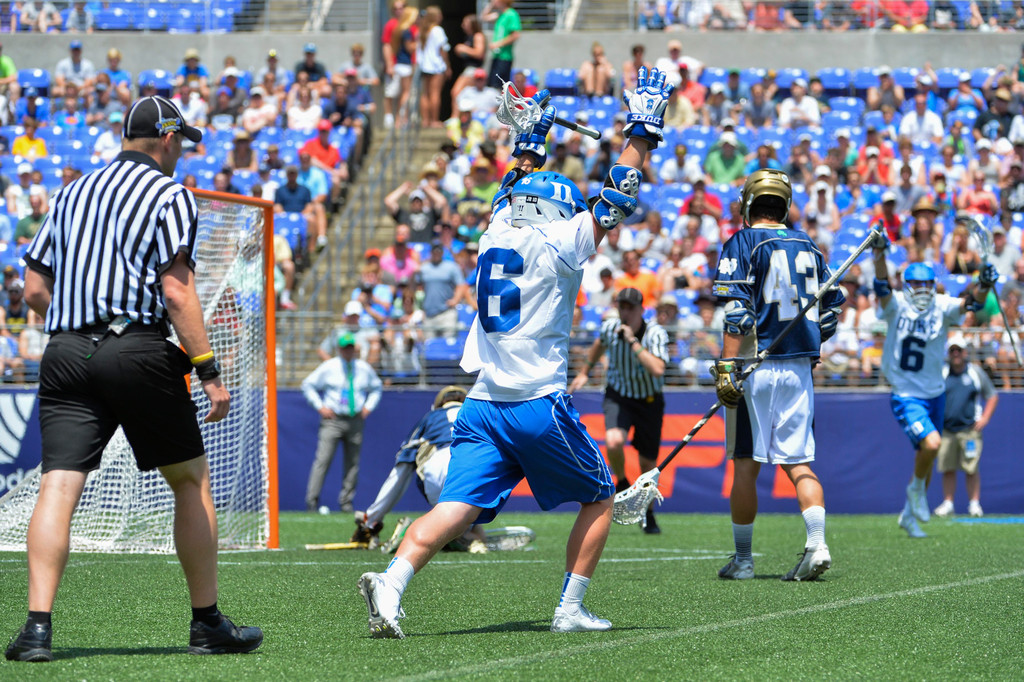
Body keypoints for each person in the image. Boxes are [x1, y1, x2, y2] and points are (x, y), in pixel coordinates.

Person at [357, 68, 671, 639]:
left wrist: (531, 140)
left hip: (481, 403)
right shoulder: (558, 239)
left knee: (458, 510)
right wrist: (642, 131)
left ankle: (392, 582)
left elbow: (511, 188)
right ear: (557, 210)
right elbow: (618, 191)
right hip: (535, 399)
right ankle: (569, 608)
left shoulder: (493, 231)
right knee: (600, 497)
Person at [5, 96, 262, 662]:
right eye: (182, 143)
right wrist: (210, 373)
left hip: (66, 350)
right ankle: (207, 623)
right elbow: (176, 291)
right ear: (168, 139)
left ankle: (37, 630)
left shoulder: (72, 190)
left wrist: (77, 328)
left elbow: (34, 289)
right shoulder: (170, 195)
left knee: (58, 484)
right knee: (190, 481)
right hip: (136, 348)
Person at [712, 168, 844, 582]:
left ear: (749, 203)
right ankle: (817, 544)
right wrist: (811, 346)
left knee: (747, 464)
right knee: (800, 463)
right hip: (799, 367)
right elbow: (832, 309)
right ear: (784, 204)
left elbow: (737, 312)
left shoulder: (743, 240)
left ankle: (744, 560)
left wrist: (728, 368)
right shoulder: (809, 244)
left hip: (756, 366)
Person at [871, 236, 997, 539]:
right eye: (917, 284)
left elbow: (973, 303)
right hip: (906, 391)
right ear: (907, 284)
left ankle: (910, 515)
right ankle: (915, 492)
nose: (923, 290)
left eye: (928, 284)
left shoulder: (941, 304)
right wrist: (879, 254)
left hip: (935, 391)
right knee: (932, 446)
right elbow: (881, 286)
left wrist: (984, 282)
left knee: (924, 458)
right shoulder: (897, 304)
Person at [568, 286, 668, 533]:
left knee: (647, 463)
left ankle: (649, 514)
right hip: (619, 394)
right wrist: (584, 371)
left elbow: (658, 369)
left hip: (649, 400)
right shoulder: (611, 328)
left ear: (640, 310)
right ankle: (622, 483)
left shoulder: (654, 333)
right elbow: (599, 344)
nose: (625, 313)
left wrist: (633, 342)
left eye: (630, 308)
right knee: (613, 441)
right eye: (621, 307)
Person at [351, 385, 468, 546]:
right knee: (469, 521)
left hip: (438, 465)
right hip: (469, 464)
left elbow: (404, 466)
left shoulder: (431, 417)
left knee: (450, 519)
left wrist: (372, 519)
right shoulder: (476, 415)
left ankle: (431, 531)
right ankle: (466, 533)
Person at [302, 332, 383, 514]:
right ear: (339, 349)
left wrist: (368, 407)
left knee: (353, 463)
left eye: (350, 348)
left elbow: (377, 387)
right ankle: (312, 502)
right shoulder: (329, 367)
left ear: (354, 349)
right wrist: (320, 406)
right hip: (333, 420)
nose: (348, 351)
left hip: (355, 420)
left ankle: (346, 502)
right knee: (322, 460)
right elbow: (308, 384)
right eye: (345, 348)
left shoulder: (363, 368)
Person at [934, 333, 998, 519]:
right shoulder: (942, 372)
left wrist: (985, 418)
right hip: (946, 430)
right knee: (947, 467)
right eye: (952, 350)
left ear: (965, 352)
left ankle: (974, 503)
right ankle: (948, 503)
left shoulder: (975, 372)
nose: (955, 353)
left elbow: (992, 396)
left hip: (970, 430)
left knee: (971, 468)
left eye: (958, 350)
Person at [483, 0, 521, 89]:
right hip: (497, 56)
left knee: (498, 86)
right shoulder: (500, 15)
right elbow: (483, 17)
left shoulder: (512, 14)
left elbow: (515, 35)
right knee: (492, 85)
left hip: (504, 57)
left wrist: (498, 44)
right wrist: (491, 5)